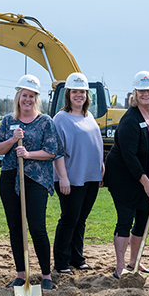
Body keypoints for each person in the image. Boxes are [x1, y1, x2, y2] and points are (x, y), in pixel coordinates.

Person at [104, 71, 149, 278]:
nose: (146, 94)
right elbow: (129, 157)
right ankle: (120, 266)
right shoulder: (130, 120)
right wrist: (145, 183)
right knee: (126, 219)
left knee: (143, 220)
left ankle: (135, 262)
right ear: (135, 93)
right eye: (142, 91)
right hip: (125, 178)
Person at [0, 75, 63, 290]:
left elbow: (52, 151)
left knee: (37, 227)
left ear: (36, 98)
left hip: (36, 179)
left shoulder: (45, 122)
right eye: (24, 95)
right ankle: (20, 274)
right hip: (10, 177)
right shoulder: (8, 121)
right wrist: (13, 139)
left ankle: (46, 276)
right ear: (18, 97)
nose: (28, 99)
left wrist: (29, 154)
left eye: (32, 96)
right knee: (15, 228)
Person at [52, 72, 104, 275]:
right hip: (71, 178)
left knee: (81, 219)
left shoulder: (88, 115)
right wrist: (63, 177)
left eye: (82, 92)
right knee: (69, 218)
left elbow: (93, 143)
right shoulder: (61, 119)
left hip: (90, 176)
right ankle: (62, 261)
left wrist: (100, 166)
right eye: (75, 91)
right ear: (68, 94)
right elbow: (57, 151)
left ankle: (77, 257)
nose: (79, 95)